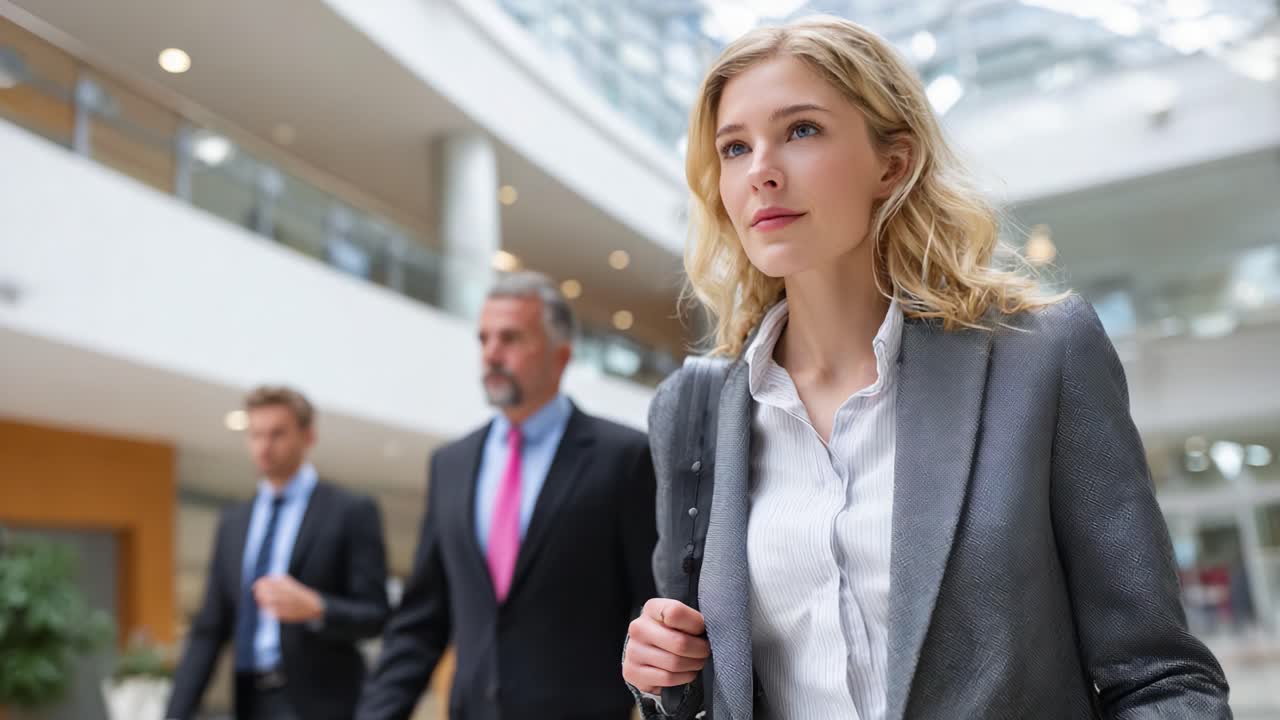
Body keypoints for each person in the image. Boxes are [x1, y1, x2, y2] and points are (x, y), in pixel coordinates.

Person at [622, 15, 1231, 720]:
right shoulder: (692, 410)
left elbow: (1160, 679)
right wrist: (662, 675)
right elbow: (696, 690)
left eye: (801, 131)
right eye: (734, 147)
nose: (761, 170)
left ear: (894, 163)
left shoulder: (1041, 359)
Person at [356, 272, 658, 720]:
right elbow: (421, 619)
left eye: (511, 338)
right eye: (484, 339)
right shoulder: (451, 464)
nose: (492, 354)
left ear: (562, 355)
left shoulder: (624, 458)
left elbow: (650, 603)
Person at [166, 386, 390, 720]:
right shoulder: (233, 522)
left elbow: (376, 614)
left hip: (322, 702)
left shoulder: (349, 511)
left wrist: (318, 608)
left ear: (308, 435)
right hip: (250, 698)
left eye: (277, 434)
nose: (264, 446)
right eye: (256, 435)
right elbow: (210, 629)